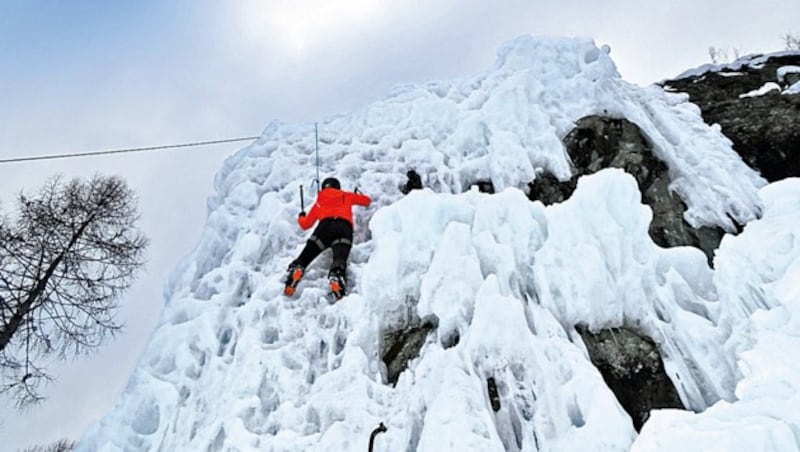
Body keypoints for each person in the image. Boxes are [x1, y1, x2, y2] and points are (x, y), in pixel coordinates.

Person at [284, 177, 371, 299]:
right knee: (340, 258)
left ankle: (298, 268)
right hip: (343, 228)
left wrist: (301, 216)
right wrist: (360, 195)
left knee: (307, 254)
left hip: (324, 228)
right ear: (337, 187)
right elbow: (366, 201)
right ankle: (336, 274)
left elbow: (305, 225)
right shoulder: (346, 195)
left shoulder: (320, 202)